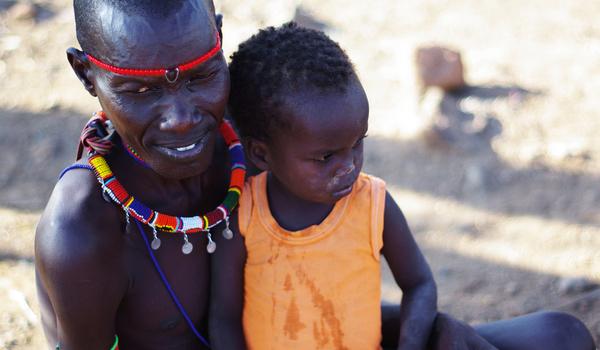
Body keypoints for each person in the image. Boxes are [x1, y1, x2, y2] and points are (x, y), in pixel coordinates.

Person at [209, 23, 596, 350]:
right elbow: (224, 320)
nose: (348, 166)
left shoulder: (372, 203)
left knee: (563, 333)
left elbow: (420, 283)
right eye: (326, 157)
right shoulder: (243, 220)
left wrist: (411, 343)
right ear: (261, 155)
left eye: (357, 144)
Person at [34, 1, 240, 349]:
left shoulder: (261, 138)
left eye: (201, 76)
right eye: (141, 91)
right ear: (86, 74)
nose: (181, 119)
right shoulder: (81, 231)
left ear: (218, 35)